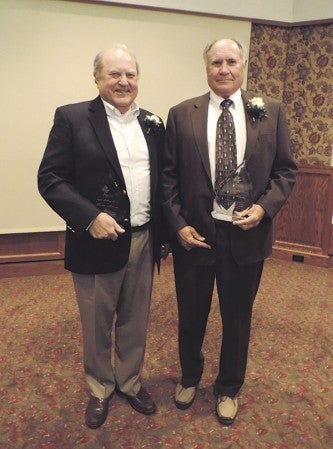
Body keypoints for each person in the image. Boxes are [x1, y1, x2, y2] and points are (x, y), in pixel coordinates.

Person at [161, 38, 297, 425]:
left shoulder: (269, 111)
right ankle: (189, 377)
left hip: (246, 235)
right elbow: (168, 179)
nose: (224, 68)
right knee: (191, 314)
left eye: (231, 61)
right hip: (195, 238)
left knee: (238, 318)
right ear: (206, 67)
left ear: (244, 65)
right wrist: (179, 226)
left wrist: (264, 208)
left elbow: (285, 170)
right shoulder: (181, 113)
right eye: (216, 62)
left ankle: (228, 387)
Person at [38, 44, 165, 429]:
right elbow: (51, 178)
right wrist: (90, 217)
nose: (123, 81)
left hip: (143, 239)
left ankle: (129, 381)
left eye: (130, 74)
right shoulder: (73, 118)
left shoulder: (153, 123)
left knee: (135, 318)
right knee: (97, 322)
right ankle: (99, 387)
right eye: (114, 74)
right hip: (96, 241)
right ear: (97, 78)